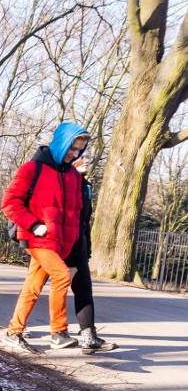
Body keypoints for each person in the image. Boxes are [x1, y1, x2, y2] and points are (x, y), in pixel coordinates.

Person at [0, 122, 88, 352]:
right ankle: (59, 332)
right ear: (61, 142)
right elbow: (9, 203)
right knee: (61, 276)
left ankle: (13, 332)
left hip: (60, 242)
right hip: (37, 237)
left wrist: (75, 239)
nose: (74, 153)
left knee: (33, 286)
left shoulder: (73, 175)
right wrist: (34, 224)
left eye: (79, 149)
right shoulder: (32, 168)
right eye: (72, 147)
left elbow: (77, 211)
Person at [65, 151, 117, 352]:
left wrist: (87, 247)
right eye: (83, 156)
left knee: (84, 288)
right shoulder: (61, 180)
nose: (87, 161)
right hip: (55, 243)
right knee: (35, 287)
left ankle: (88, 336)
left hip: (78, 245)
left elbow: (85, 221)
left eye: (89, 157)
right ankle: (17, 329)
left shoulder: (86, 186)